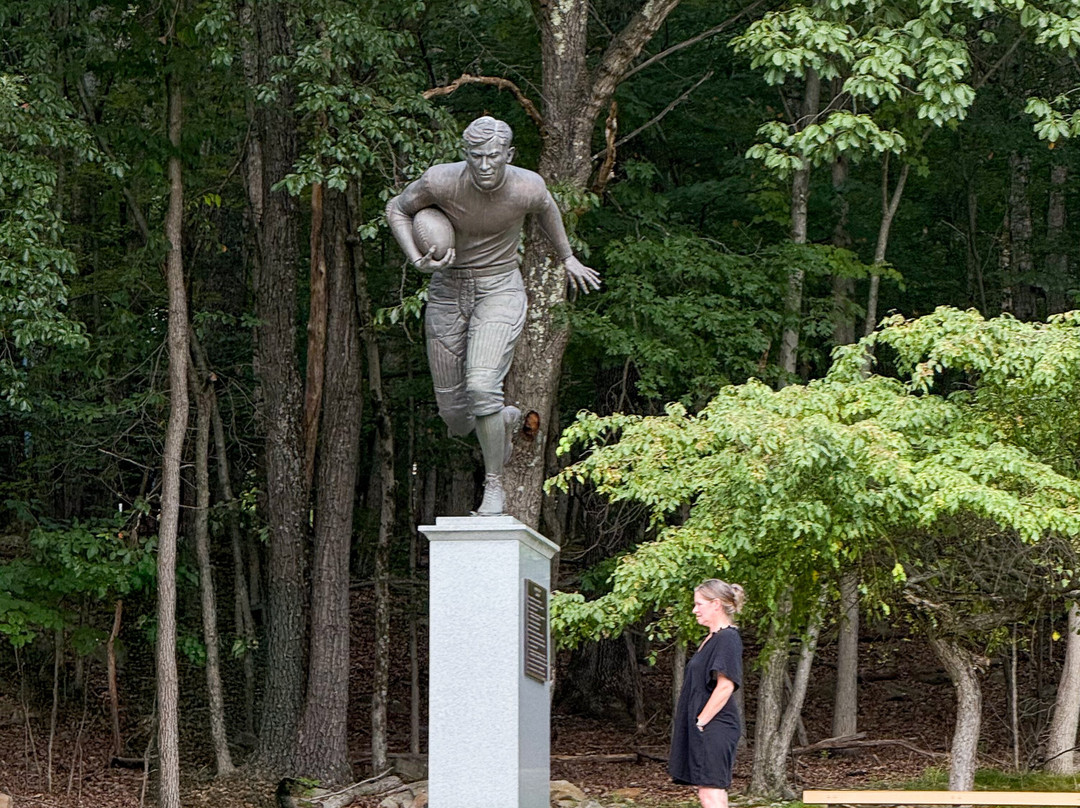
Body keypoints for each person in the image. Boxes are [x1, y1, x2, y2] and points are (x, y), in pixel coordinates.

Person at [385, 116, 600, 516]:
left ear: (509, 155)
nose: (485, 166)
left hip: (499, 289)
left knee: (482, 386)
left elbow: (549, 209)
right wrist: (415, 258)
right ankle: (501, 420)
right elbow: (396, 209)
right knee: (457, 420)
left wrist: (567, 257)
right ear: (465, 154)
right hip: (448, 290)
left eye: (494, 157)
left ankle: (494, 487)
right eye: (477, 156)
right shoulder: (439, 181)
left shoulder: (527, 185)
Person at [669, 579, 746, 808]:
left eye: (698, 604)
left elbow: (725, 685)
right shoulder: (713, 639)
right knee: (712, 791)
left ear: (715, 604)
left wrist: (701, 721)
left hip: (716, 725)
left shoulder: (727, 638)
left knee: (710, 792)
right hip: (710, 726)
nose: (695, 610)